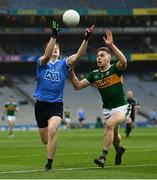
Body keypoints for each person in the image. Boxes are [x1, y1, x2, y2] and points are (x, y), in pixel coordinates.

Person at [33, 20, 94, 171]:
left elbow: (79, 56)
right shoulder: (41, 62)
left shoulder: (64, 64)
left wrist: (86, 38)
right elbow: (47, 56)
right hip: (40, 105)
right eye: (51, 48)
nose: (54, 49)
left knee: (52, 130)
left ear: (59, 52)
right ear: (47, 49)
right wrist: (53, 36)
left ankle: (49, 163)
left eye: (56, 49)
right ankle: (49, 153)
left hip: (56, 104)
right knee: (44, 140)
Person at [69, 29, 131, 168]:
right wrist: (71, 72)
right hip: (107, 109)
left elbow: (124, 61)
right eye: (97, 56)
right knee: (114, 134)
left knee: (109, 125)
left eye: (102, 55)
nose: (99, 57)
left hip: (121, 107)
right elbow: (78, 86)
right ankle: (119, 149)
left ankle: (102, 157)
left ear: (109, 58)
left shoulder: (115, 69)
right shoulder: (94, 74)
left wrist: (111, 45)